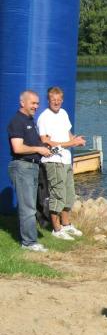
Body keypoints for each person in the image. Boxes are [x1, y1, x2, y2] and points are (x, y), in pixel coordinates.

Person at [37, 86, 86, 240]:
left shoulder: (64, 113)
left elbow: (68, 134)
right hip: (53, 160)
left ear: (62, 100)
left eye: (59, 100)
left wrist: (76, 140)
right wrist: (71, 143)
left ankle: (66, 224)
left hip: (65, 159)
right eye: (53, 100)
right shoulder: (44, 117)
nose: (56, 102)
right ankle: (56, 229)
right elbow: (45, 141)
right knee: (57, 194)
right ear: (48, 100)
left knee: (68, 194)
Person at [6, 90, 52, 251]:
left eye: (37, 103)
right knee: (28, 207)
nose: (36, 106)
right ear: (22, 103)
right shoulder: (17, 121)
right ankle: (29, 243)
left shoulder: (30, 120)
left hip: (32, 166)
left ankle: (30, 240)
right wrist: (38, 149)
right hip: (22, 167)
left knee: (30, 205)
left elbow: (31, 144)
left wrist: (44, 145)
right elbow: (17, 148)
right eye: (33, 103)